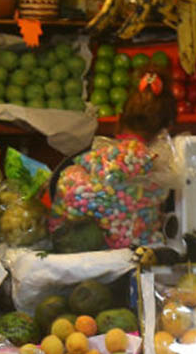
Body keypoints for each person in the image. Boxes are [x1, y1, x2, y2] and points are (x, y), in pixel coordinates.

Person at [51, 67, 178, 248]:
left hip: (81, 261)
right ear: (165, 130)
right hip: (139, 261)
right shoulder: (160, 174)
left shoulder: (91, 160)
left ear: (119, 118)